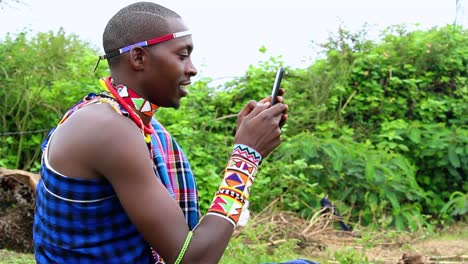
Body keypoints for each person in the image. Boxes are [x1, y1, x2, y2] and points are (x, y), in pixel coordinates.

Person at [33, 2, 288, 263]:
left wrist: (246, 142)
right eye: (182, 55)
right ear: (139, 58)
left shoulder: (126, 122)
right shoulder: (107, 129)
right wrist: (246, 158)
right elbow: (191, 259)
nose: (192, 69)